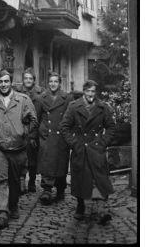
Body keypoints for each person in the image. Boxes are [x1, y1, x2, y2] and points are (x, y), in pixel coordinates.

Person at [0, 68, 38, 230]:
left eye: (6, 81)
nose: (3, 84)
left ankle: (13, 204)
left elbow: (33, 120)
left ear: (11, 82)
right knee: (1, 179)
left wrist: (23, 131)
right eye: (0, 82)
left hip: (18, 148)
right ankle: (2, 212)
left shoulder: (23, 100)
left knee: (14, 181)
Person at [60, 79, 115, 224]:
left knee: (99, 178)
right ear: (84, 91)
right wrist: (74, 143)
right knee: (79, 178)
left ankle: (101, 210)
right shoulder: (73, 107)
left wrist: (103, 143)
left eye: (93, 91)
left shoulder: (103, 107)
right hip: (81, 148)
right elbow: (64, 127)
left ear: (95, 93)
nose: (90, 94)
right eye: (88, 91)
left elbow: (111, 127)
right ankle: (80, 205)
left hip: (97, 149)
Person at [35, 71, 71, 205]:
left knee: (60, 164)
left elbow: (70, 118)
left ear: (60, 83)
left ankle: (61, 189)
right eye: (51, 81)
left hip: (61, 136)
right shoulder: (42, 98)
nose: (53, 84)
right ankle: (47, 190)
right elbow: (37, 118)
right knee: (47, 162)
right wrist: (37, 134)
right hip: (46, 136)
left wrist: (68, 135)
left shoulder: (67, 98)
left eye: (56, 81)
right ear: (47, 83)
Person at [15, 67, 44, 193]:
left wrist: (35, 132)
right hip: (20, 129)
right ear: (23, 79)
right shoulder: (16, 92)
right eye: (26, 78)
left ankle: (32, 181)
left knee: (32, 159)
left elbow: (41, 114)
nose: (28, 81)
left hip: (34, 129)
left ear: (34, 80)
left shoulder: (40, 94)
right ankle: (21, 181)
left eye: (30, 78)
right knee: (21, 158)